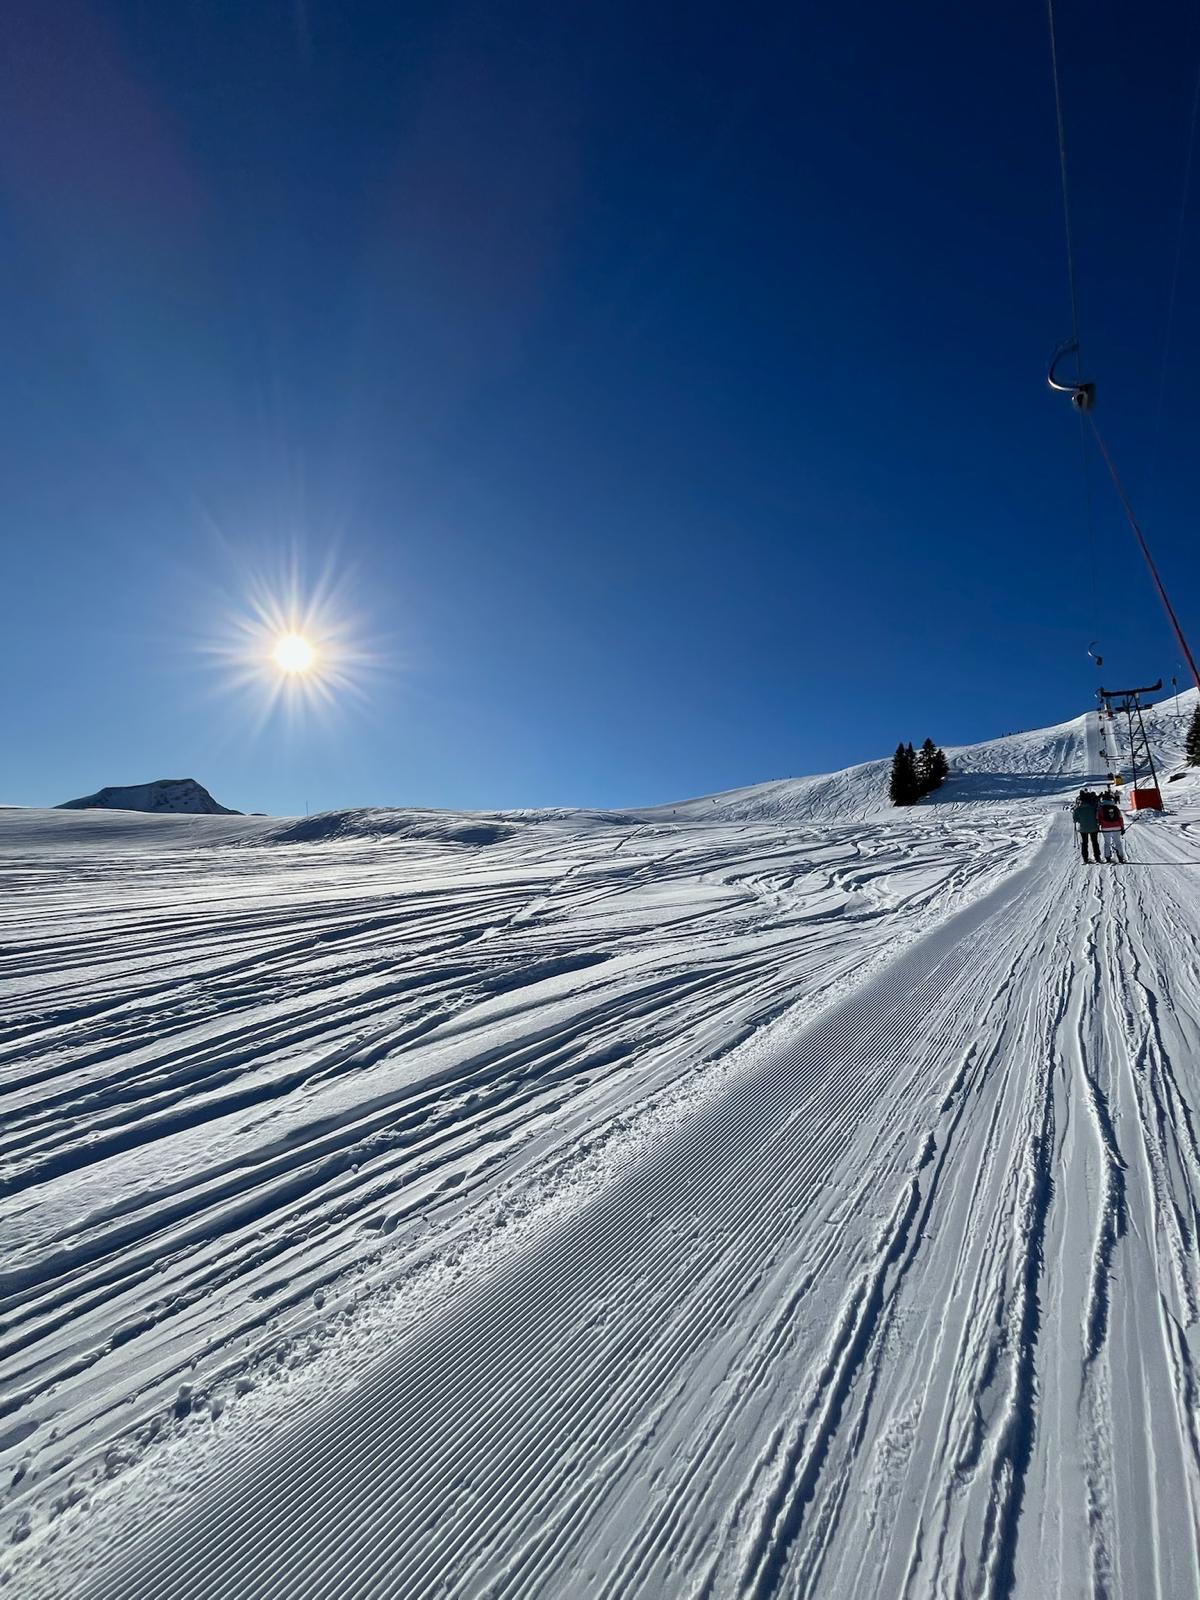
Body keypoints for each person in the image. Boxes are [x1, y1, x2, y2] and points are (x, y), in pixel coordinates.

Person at [1097, 790, 1126, 863]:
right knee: (1118, 842)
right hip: (1117, 827)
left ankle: (1107, 857)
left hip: (1105, 828)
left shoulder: (1101, 809)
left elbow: (1098, 819)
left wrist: (1099, 826)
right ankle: (1120, 856)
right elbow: (1120, 818)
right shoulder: (1115, 808)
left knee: (1107, 842)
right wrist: (1122, 828)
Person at [1072, 790, 1101, 863]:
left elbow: (1075, 819)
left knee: (1084, 843)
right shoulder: (1093, 807)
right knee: (1095, 842)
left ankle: (1085, 858)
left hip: (1083, 828)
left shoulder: (1078, 809)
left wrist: (1080, 820)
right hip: (1093, 827)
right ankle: (1097, 857)